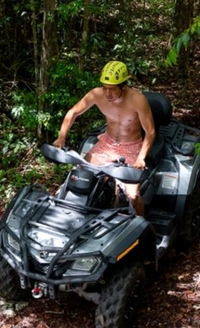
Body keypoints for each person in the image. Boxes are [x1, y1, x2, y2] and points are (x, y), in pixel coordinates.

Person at [53, 61, 156, 216]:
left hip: (131, 146)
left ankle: (141, 227)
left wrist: (141, 158)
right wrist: (61, 137)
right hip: (107, 144)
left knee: (132, 195)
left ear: (123, 86)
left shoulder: (137, 100)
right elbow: (73, 112)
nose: (108, 93)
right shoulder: (97, 94)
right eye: (104, 87)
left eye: (112, 89)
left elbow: (150, 131)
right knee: (80, 178)